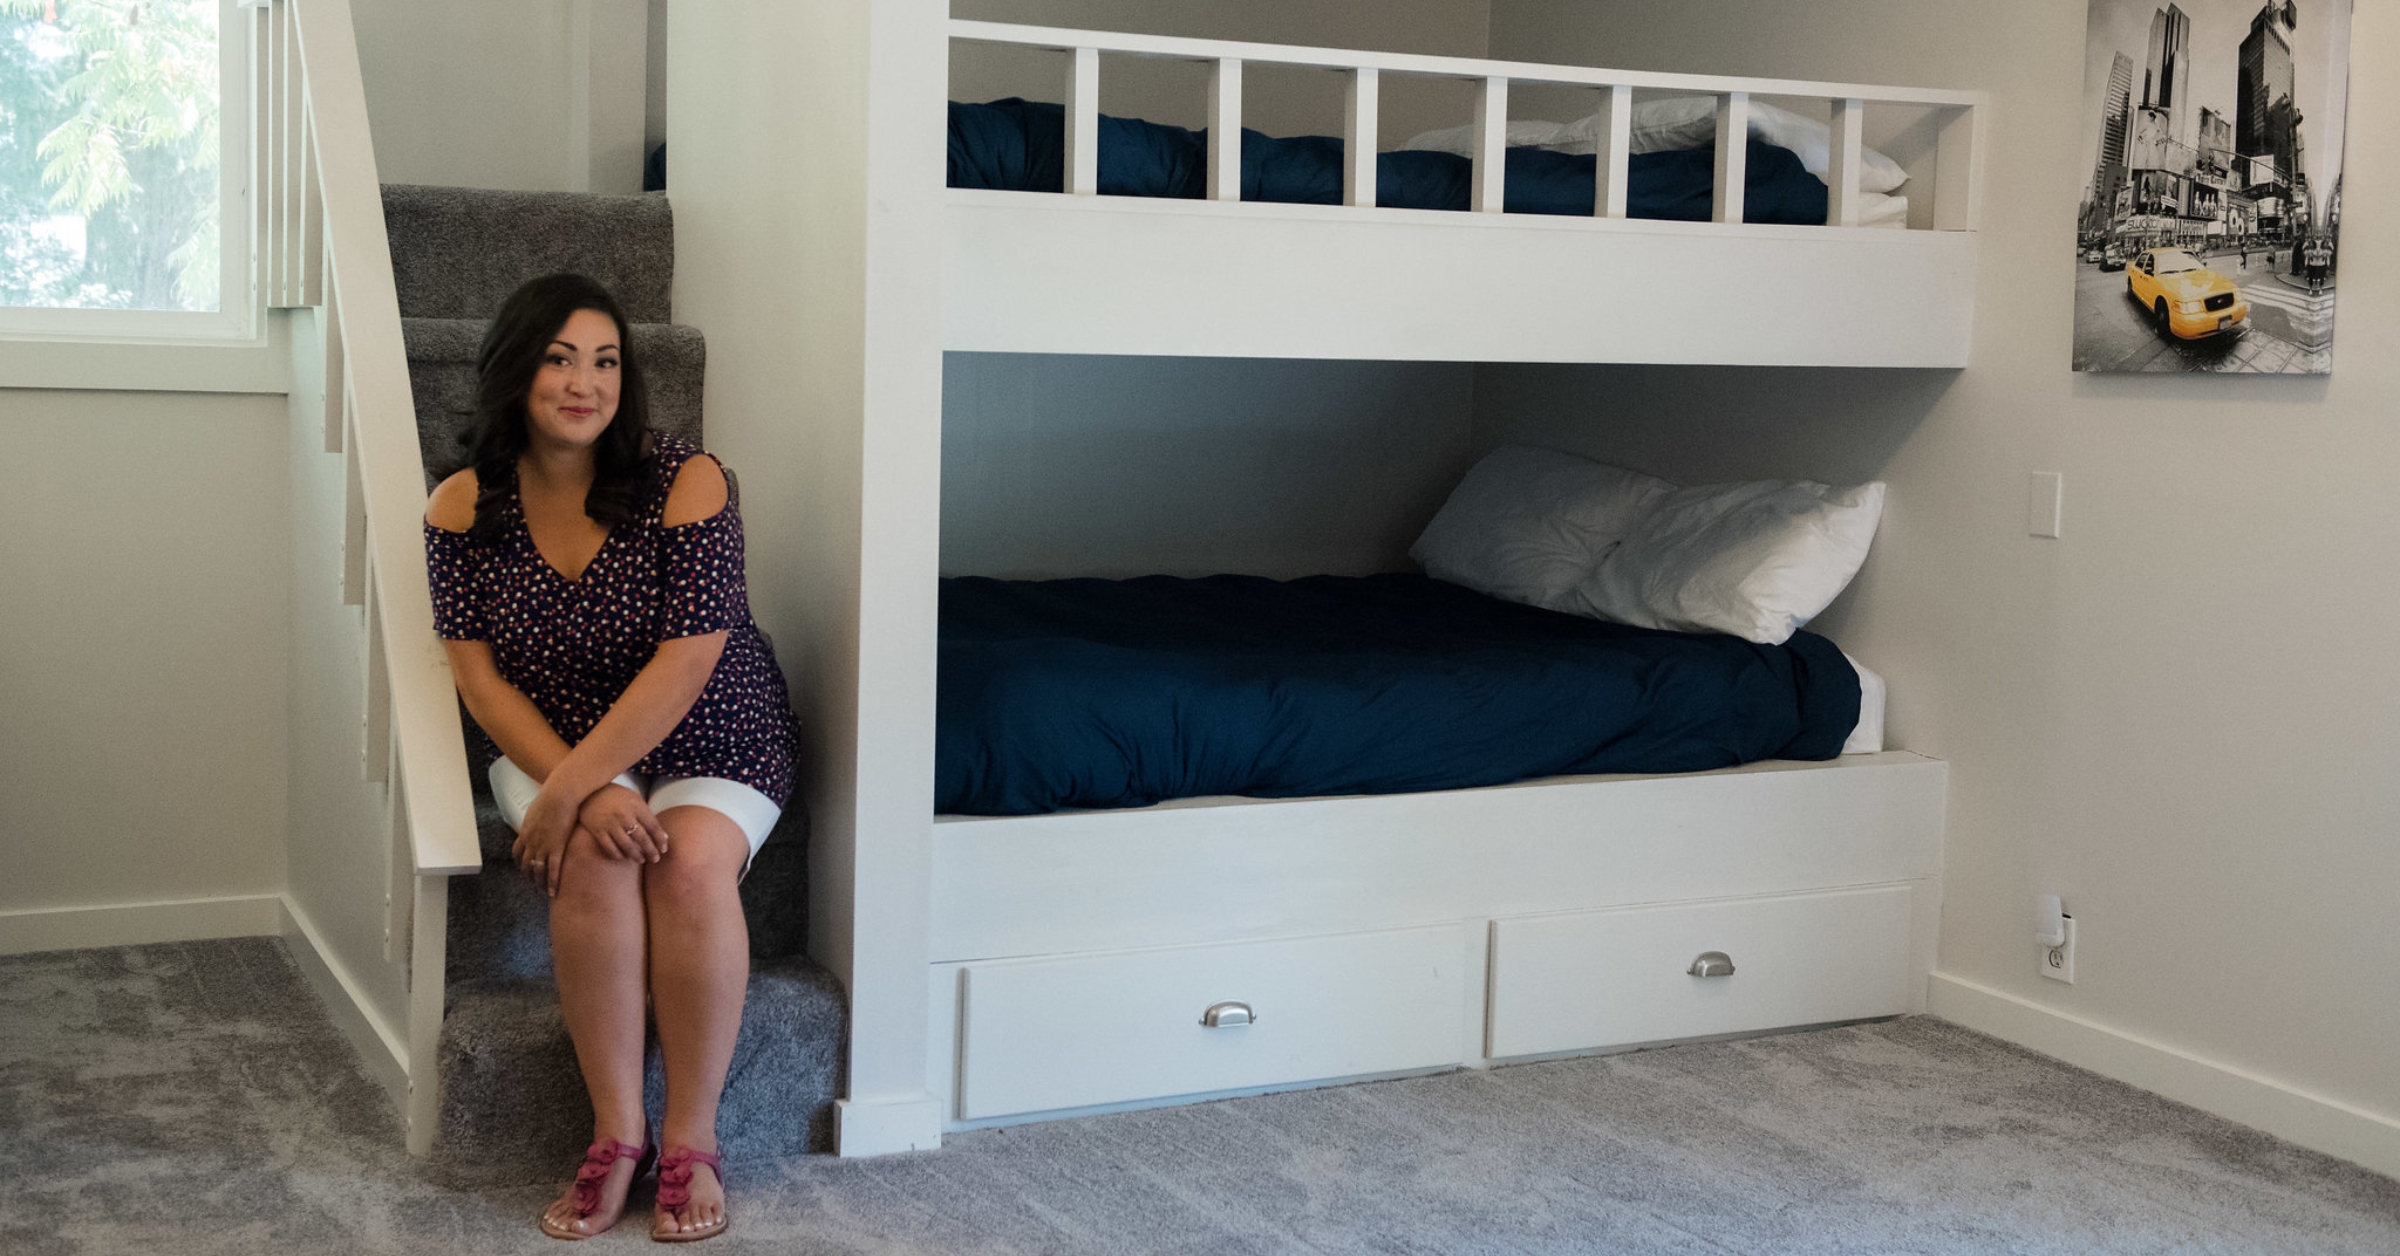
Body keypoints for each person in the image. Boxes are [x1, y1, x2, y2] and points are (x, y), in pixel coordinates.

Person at [424, 273, 799, 1243]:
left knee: (685, 863)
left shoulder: (690, 480)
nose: (584, 381)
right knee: (592, 855)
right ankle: (617, 1132)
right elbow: (481, 683)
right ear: (516, 370)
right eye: (558, 358)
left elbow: (688, 661)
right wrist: (570, 789)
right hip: (544, 733)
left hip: (713, 723)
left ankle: (693, 1137)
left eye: (604, 360)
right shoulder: (462, 509)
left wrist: (572, 788)